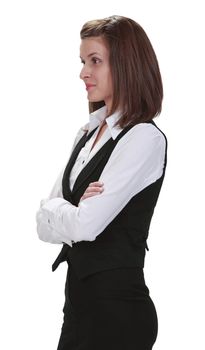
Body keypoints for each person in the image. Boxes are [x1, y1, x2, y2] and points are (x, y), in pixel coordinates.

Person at [36, 15, 167, 350]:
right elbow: (42, 225)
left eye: (95, 61)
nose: (83, 72)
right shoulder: (87, 132)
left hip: (118, 313)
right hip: (79, 309)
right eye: (83, 61)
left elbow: (86, 225)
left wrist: (60, 209)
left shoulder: (143, 138)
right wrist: (65, 208)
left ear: (125, 65)